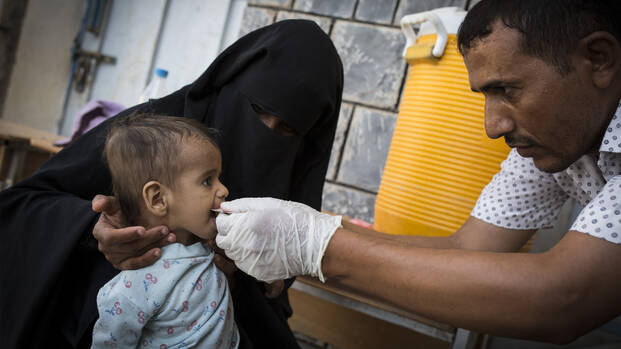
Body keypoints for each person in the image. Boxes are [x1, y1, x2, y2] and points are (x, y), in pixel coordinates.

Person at [214, 0, 621, 344]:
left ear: (599, 60)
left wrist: (312, 246)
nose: (492, 126)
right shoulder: (556, 139)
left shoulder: (552, 133)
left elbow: (565, 297)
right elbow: (471, 249)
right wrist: (309, 228)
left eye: (507, 91)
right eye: (485, 96)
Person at [0, 20, 343, 349]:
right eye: (256, 109)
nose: (265, 133)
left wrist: (247, 276)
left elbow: (269, 300)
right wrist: (92, 229)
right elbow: (22, 204)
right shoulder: (149, 139)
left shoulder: (288, 180)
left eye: (286, 130)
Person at [91, 114, 238, 348]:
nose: (224, 190)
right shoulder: (135, 286)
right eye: (207, 181)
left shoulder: (210, 249)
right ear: (158, 199)